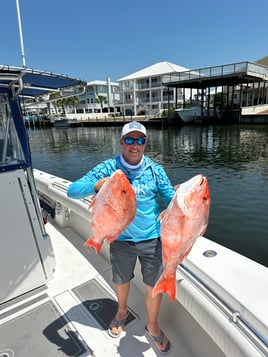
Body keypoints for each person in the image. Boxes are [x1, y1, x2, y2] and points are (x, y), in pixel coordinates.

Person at [67, 121, 174, 354]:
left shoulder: (155, 170)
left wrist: (184, 200)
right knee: (121, 279)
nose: (134, 145)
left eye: (139, 140)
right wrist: (97, 185)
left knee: (153, 285)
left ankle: (153, 325)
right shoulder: (109, 168)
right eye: (129, 139)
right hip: (120, 238)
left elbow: (170, 197)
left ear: (145, 143)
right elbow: (72, 190)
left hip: (151, 239)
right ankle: (122, 311)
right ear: (121, 142)